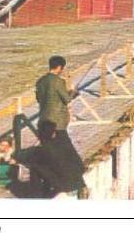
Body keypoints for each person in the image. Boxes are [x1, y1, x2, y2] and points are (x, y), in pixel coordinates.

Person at [34, 55, 87, 196]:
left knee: (49, 154)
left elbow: (40, 100)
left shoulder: (40, 82)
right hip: (56, 124)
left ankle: (48, 186)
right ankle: (74, 185)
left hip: (42, 122)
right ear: (59, 67)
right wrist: (73, 93)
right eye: (62, 68)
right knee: (65, 154)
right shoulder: (58, 81)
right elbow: (66, 99)